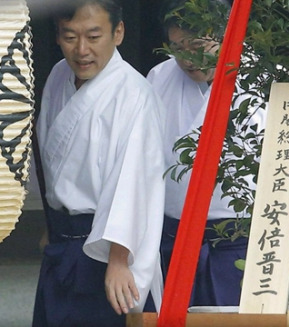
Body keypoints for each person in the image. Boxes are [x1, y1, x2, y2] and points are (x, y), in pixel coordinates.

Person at [33, 1, 166, 326]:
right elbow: (52, 157)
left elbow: (134, 181)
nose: (81, 50)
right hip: (63, 241)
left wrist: (119, 259)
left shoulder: (135, 93)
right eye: (70, 37)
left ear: (117, 32)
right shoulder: (58, 76)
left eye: (93, 37)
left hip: (105, 248)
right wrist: (52, 224)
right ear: (57, 37)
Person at [147, 0, 266, 307]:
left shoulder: (269, 81)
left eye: (198, 45)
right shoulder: (158, 78)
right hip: (172, 237)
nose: (188, 58)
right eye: (177, 47)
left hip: (239, 243)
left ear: (228, 34)